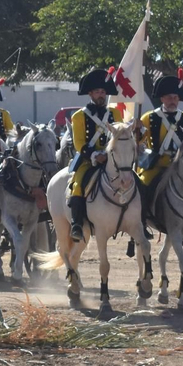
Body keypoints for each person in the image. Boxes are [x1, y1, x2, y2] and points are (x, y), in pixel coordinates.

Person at [64, 69, 118, 242]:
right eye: (97, 92)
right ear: (90, 94)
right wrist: (95, 155)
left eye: (103, 92)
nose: (101, 95)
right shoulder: (79, 116)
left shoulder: (115, 114)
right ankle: (77, 224)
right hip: (89, 161)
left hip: (113, 159)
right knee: (78, 186)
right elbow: (79, 143)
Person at [136, 73, 183, 228]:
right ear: (162, 99)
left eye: (175, 97)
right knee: (142, 188)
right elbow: (139, 142)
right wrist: (137, 131)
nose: (173, 101)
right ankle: (142, 222)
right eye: (169, 97)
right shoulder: (148, 118)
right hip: (157, 165)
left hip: (182, 167)